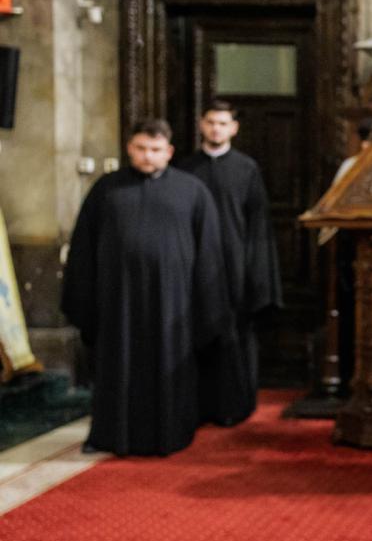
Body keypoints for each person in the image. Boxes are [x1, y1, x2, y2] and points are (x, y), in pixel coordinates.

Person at [61, 119, 230, 456]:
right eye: (141, 148)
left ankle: (170, 434)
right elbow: (83, 249)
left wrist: (207, 307)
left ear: (169, 151)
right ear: (129, 148)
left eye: (155, 149)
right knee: (117, 366)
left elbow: (209, 253)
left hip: (173, 304)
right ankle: (111, 436)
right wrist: (85, 302)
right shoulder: (106, 190)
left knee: (169, 367)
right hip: (118, 302)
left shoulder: (192, 191)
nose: (148, 156)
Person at [177, 101, 282, 426]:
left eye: (223, 123)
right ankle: (198, 406)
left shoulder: (246, 169)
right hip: (195, 266)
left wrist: (255, 273)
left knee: (236, 335)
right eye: (211, 122)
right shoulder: (185, 169)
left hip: (234, 266)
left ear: (234, 128)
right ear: (201, 124)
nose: (216, 129)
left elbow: (257, 224)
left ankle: (236, 405)